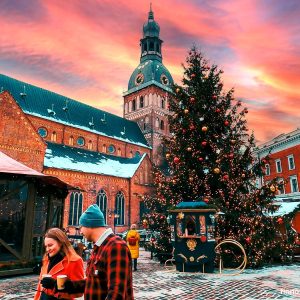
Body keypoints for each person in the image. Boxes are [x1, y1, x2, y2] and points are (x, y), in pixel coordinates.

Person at [51, 204, 134, 299]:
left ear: (89, 224)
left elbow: (116, 293)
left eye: (81, 226)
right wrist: (65, 285)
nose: (80, 231)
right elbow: (93, 282)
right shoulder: (99, 246)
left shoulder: (116, 246)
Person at [34, 227, 84, 300]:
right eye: (46, 246)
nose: (47, 249)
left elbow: (79, 292)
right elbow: (39, 288)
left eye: (50, 245)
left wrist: (56, 286)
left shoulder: (74, 261)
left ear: (60, 243)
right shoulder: (46, 259)